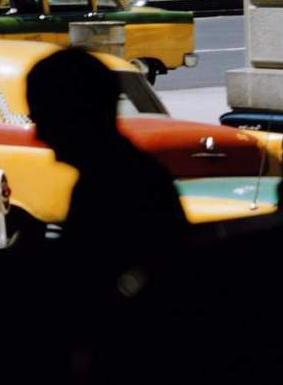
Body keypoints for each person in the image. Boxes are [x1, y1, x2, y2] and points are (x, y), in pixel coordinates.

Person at [26, 47, 189, 276]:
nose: (39, 135)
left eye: (44, 118)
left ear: (76, 116)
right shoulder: (135, 174)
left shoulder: (107, 188)